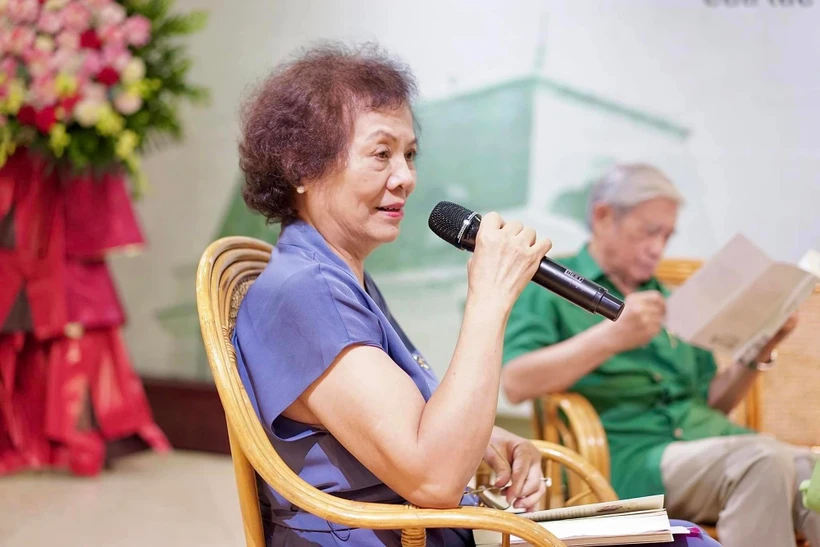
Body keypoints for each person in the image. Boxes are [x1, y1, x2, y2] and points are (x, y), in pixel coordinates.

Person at [233, 45, 720, 547]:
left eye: (409, 155)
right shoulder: (304, 293)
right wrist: (489, 297)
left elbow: (398, 428)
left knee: (679, 535)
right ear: (300, 168)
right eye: (382, 154)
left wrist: (487, 440)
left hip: (436, 531)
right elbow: (433, 479)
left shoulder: (334, 275)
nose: (406, 177)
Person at [501, 163, 819, 547]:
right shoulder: (551, 284)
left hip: (710, 447)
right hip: (628, 458)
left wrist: (760, 349)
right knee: (762, 460)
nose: (658, 248)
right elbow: (516, 382)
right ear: (603, 217)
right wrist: (611, 337)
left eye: (666, 236)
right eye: (649, 232)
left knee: (813, 471)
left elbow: (711, 402)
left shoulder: (675, 302)